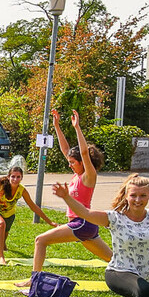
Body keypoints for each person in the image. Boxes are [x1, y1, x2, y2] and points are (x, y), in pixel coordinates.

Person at [32, 111, 113, 273]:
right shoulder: (77, 175)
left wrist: (77, 128)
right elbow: (66, 149)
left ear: (82, 162)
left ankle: (33, 280)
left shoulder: (88, 176)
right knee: (113, 259)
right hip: (86, 227)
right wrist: (56, 126)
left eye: (72, 162)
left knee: (40, 240)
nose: (69, 165)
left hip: (81, 223)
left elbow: (84, 153)